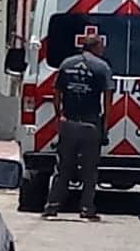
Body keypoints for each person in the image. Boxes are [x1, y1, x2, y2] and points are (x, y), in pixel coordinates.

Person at [42, 34, 114, 221]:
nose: (103, 49)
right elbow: (107, 100)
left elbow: (56, 93)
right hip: (90, 125)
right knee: (89, 170)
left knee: (63, 168)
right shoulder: (102, 67)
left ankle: (51, 207)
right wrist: (105, 126)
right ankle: (87, 208)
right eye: (101, 46)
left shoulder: (67, 64)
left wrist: (59, 115)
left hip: (69, 123)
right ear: (95, 47)